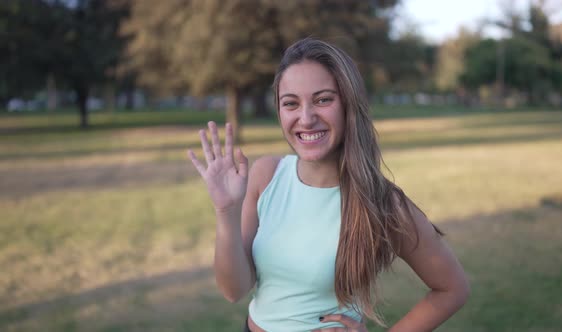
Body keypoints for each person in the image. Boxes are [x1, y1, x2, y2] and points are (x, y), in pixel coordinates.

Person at [188, 38, 470, 332]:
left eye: (323, 99)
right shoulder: (267, 175)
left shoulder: (383, 202)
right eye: (291, 103)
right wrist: (226, 212)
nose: (306, 119)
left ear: (349, 104)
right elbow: (234, 290)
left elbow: (452, 288)